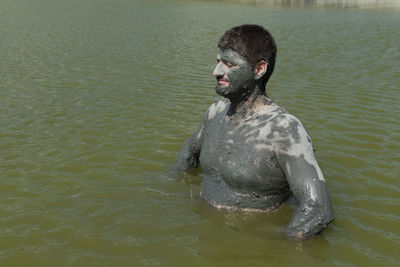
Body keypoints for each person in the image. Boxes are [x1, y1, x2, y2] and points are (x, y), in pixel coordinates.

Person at [173, 24, 333, 239]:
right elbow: (186, 160)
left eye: (229, 64)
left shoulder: (283, 130)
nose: (216, 71)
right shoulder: (215, 112)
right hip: (205, 235)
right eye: (218, 62)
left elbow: (317, 209)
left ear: (259, 69)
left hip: (249, 239)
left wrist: (269, 252)